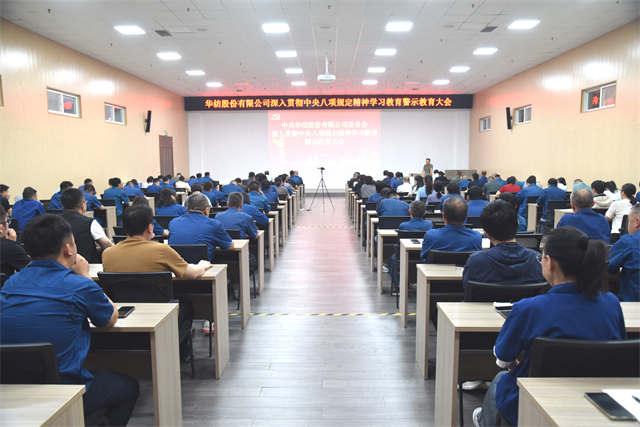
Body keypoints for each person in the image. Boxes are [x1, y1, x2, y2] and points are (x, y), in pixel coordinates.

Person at [473, 226, 627, 427]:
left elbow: (503, 358)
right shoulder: (612, 303)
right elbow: (620, 351)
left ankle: (484, 421)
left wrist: (517, 368)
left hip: (536, 402)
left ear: (550, 263)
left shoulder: (529, 308)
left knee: (500, 380)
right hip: (596, 400)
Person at [1, 214, 140, 426]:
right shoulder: (80, 286)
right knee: (129, 387)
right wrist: (85, 276)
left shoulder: (11, 283)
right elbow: (110, 318)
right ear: (68, 249)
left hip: (11, 387)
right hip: (63, 390)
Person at [103, 204, 213, 356]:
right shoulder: (161, 250)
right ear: (150, 227)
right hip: (159, 315)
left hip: (124, 313)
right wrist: (202, 265)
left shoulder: (108, 253)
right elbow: (193, 274)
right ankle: (183, 353)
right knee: (186, 305)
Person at [463, 200, 544, 289]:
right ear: (517, 224)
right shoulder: (538, 261)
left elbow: (467, 289)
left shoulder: (475, 262)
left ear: (486, 233)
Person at [387, 201, 433, 293]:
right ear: (425, 213)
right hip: (422, 256)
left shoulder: (403, 225)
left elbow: (399, 243)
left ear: (409, 211)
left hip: (404, 256)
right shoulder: (429, 224)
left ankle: (398, 285)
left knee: (391, 260)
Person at [420, 196, 482, 262]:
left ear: (443, 215)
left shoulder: (431, 236)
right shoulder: (476, 238)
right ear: (466, 215)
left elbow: (423, 256)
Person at [60, 189, 113, 263]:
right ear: (83, 206)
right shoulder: (90, 223)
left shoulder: (53, 222)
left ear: (63, 207)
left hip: (59, 266)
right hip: (87, 265)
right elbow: (107, 245)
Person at [608, 203, 640, 301]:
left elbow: (608, 268)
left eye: (629, 221)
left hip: (633, 304)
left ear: (637, 221)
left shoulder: (627, 242)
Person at [0, 206, 30, 278]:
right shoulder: (9, 248)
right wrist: (10, 244)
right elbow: (32, 273)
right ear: (1, 228)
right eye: (7, 221)